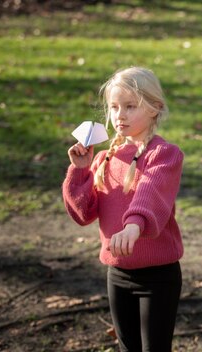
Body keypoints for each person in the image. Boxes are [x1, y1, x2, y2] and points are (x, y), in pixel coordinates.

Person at [62, 67, 184, 352]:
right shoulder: (105, 157)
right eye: (115, 107)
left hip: (159, 276)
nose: (120, 115)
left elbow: (150, 191)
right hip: (117, 273)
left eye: (131, 106)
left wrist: (133, 225)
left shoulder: (164, 154)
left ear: (155, 108)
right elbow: (83, 213)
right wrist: (79, 172)